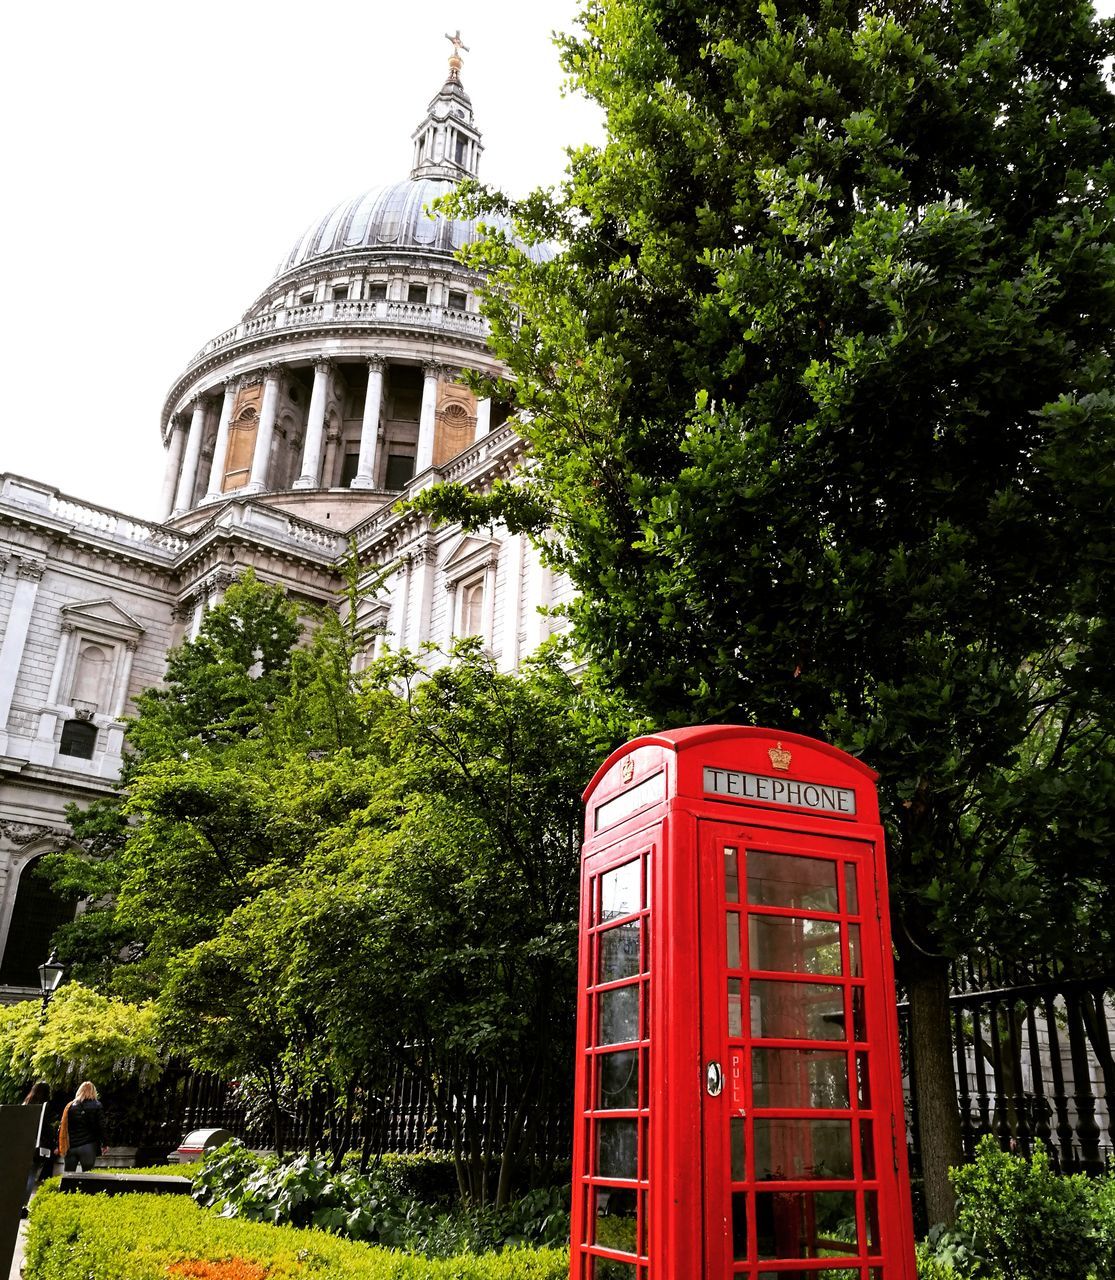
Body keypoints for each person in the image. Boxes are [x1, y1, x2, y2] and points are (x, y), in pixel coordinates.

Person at [58, 1080, 107, 1172]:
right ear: (93, 1091)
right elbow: (102, 1126)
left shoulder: (70, 1106)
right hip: (88, 1146)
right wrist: (105, 1143)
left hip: (71, 1146)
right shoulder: (97, 1105)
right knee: (87, 1177)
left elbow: (64, 1127)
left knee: (68, 1177)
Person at [22, 1081, 53, 1211]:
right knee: (31, 1175)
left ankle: (17, 1202)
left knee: (22, 1175)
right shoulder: (45, 1107)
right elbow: (46, 1128)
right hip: (36, 1145)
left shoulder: (25, 1104)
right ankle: (23, 1205)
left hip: (23, 1144)